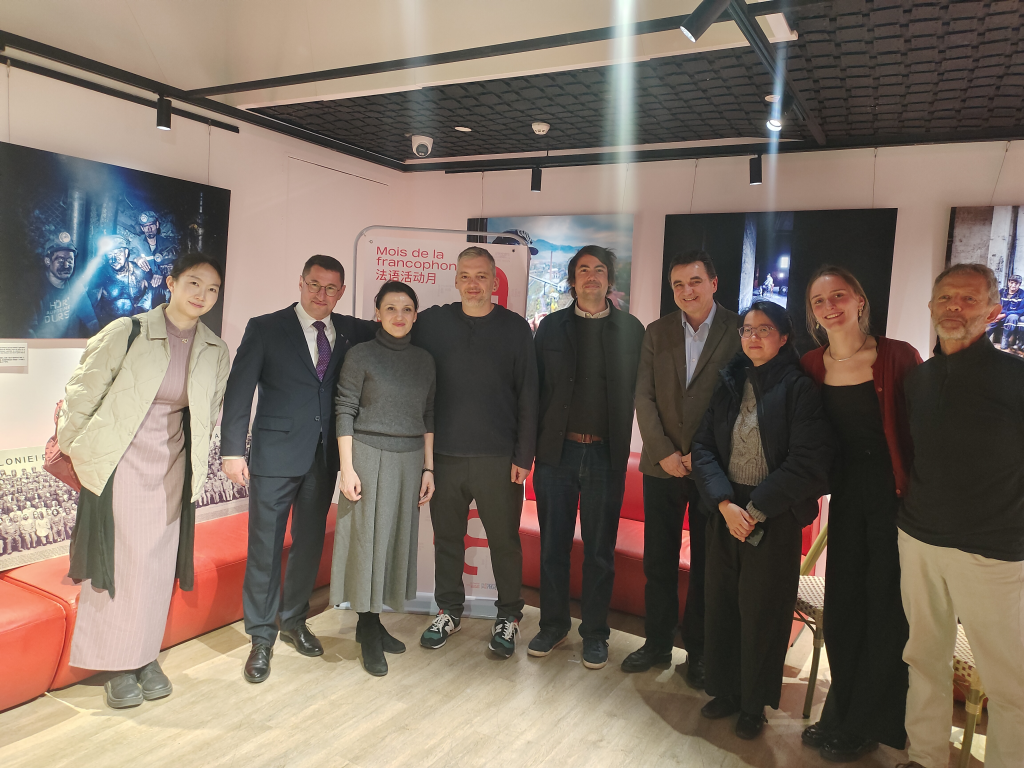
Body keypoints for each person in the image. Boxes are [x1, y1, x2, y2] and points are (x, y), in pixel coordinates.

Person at [58, 252, 230, 709]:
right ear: (171, 283)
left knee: (156, 564)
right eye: (194, 283)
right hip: (120, 462)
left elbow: (208, 413)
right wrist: (81, 455)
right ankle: (116, 664)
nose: (202, 295)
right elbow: (81, 394)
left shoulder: (215, 349)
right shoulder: (127, 331)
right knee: (118, 561)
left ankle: (145, 655)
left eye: (212, 289)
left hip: (170, 464)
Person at [222, 254, 376, 684]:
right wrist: (232, 450)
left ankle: (293, 620)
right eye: (314, 285)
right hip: (274, 455)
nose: (321, 294)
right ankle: (261, 636)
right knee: (265, 547)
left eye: (331, 288)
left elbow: (396, 326)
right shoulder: (265, 327)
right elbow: (239, 390)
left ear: (341, 291)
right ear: (301, 283)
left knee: (309, 543)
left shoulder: (353, 330)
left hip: (324, 458)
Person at [897, 263, 1024, 768]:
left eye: (969, 299)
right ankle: (925, 757)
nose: (955, 307)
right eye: (946, 298)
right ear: (931, 307)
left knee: (1010, 681)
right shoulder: (919, 379)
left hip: (993, 549)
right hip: (919, 538)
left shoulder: (1016, 378)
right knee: (923, 658)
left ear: (993, 312)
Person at [691, 301, 832, 740]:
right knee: (722, 605)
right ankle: (725, 690)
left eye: (764, 329)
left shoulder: (799, 389)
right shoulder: (729, 383)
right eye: (747, 330)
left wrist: (753, 511)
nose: (753, 337)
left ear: (784, 337)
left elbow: (808, 461)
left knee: (762, 613)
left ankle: (753, 705)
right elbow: (702, 448)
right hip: (726, 509)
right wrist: (724, 504)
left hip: (772, 514)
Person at [799, 265, 922, 761]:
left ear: (859, 301)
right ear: (812, 313)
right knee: (845, 608)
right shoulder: (811, 364)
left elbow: (922, 433)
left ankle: (872, 722)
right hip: (846, 500)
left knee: (886, 612)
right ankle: (840, 711)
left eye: (839, 296)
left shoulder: (897, 356)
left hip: (896, 502)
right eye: (819, 300)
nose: (830, 306)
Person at [412, 246, 538, 658]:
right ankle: (448, 610)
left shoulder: (515, 329)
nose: (473, 283)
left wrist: (524, 455)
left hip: (499, 459)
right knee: (447, 539)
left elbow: (529, 395)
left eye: (481, 275)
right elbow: (392, 332)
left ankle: (509, 616)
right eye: (465, 275)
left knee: (505, 542)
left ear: (495, 280)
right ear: (455, 279)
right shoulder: (432, 323)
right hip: (444, 457)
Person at [624, 251, 741, 687]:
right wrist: (664, 453)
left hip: (714, 469)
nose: (686, 291)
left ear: (713, 283)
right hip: (662, 467)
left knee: (708, 567)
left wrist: (704, 454)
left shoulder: (738, 330)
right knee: (658, 561)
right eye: (678, 284)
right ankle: (656, 642)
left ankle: (699, 651)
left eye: (694, 282)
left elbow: (740, 401)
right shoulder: (657, 332)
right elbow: (644, 396)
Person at [528, 246, 644, 669]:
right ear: (572, 279)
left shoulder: (632, 330)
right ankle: (553, 625)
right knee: (553, 547)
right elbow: (534, 391)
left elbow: (645, 392)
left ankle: (595, 633)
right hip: (555, 454)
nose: (591, 276)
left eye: (599, 270)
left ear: (609, 280)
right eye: (583, 270)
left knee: (599, 551)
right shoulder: (550, 328)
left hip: (605, 456)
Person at [333, 281, 436, 676]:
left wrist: (428, 468)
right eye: (390, 308)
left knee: (391, 542)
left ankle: (374, 623)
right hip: (367, 455)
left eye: (407, 308)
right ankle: (366, 628)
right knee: (366, 543)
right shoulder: (360, 355)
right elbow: (345, 409)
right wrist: (347, 468)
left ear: (416, 315)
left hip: (409, 460)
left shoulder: (425, 360)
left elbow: (429, 414)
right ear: (377, 313)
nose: (399, 315)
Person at [30, 232, 100, 338]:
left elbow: (91, 321)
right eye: (60, 260)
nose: (66, 265)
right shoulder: (34, 289)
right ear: (48, 261)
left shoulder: (75, 287)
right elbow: (28, 331)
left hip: (70, 346)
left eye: (70, 260)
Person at [90, 234, 151, 328]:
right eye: (110, 254)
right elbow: (91, 306)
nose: (113, 259)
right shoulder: (101, 274)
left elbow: (153, 291)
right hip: (111, 327)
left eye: (118, 253)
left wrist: (143, 310)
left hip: (137, 325)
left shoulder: (140, 271)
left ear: (126, 253)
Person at [991, 273, 1024, 351]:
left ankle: (1005, 343)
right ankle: (981, 344)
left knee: (1012, 318)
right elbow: (994, 304)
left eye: (1016, 283)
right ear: (1008, 282)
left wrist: (1005, 314)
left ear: (1019, 285)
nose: (1013, 285)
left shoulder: (1022, 294)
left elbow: (1021, 310)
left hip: (1011, 317)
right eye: (1012, 282)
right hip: (999, 315)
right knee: (988, 324)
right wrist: (995, 314)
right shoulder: (1002, 292)